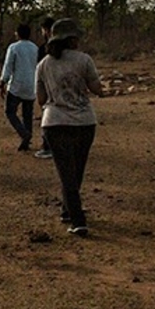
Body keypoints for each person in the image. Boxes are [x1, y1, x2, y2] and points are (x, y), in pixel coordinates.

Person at [34, 18, 104, 236]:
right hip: (84, 121)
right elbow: (97, 89)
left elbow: (41, 98)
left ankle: (70, 212)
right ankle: (77, 218)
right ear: (72, 39)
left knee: (66, 173)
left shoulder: (43, 64)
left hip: (54, 122)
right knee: (77, 171)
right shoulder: (84, 60)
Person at [0, 23, 38, 151]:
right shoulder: (35, 48)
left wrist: (3, 81)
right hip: (31, 85)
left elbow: (8, 65)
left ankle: (23, 134)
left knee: (10, 112)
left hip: (16, 85)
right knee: (27, 114)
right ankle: (26, 139)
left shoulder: (14, 47)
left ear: (18, 34)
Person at [33, 17, 56, 159]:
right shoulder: (69, 48)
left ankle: (47, 145)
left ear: (46, 30)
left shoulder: (44, 49)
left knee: (47, 116)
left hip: (48, 87)